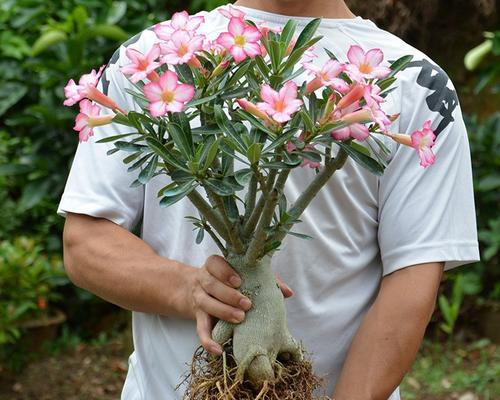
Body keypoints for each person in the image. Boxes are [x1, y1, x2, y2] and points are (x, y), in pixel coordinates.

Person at [58, 0, 480, 399]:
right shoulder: (150, 56)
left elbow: (413, 276)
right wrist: (189, 289)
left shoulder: (418, 86)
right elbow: (85, 243)